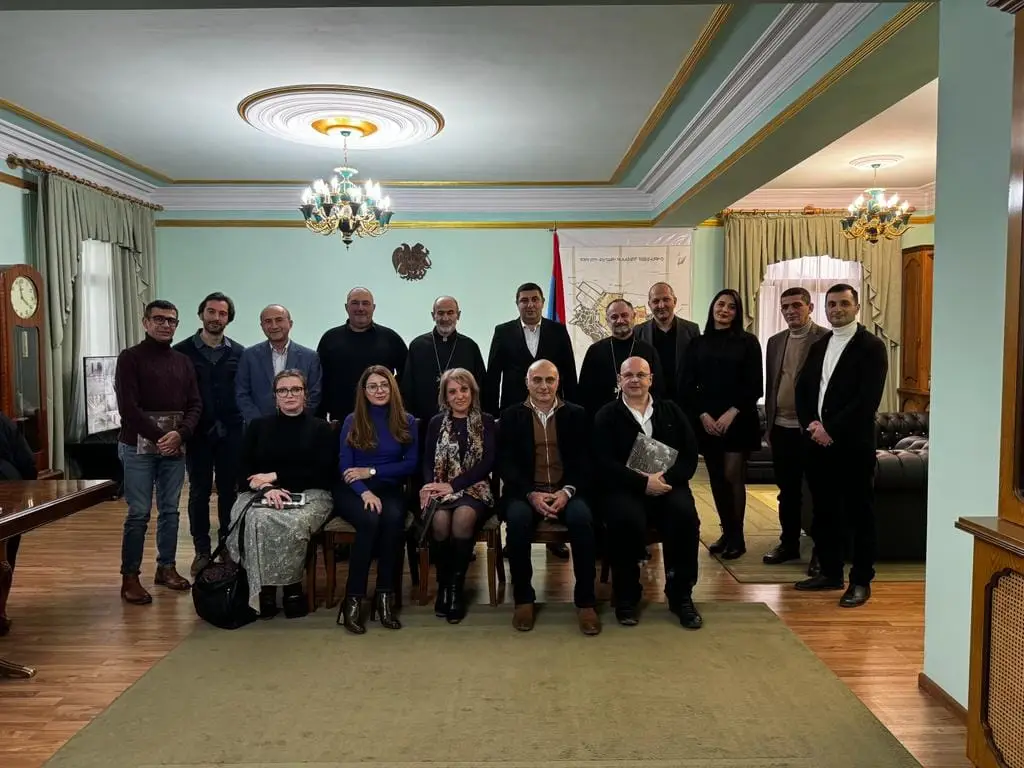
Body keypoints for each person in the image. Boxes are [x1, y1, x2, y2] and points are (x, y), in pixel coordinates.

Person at [795, 284, 887, 608]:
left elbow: (866, 401)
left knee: (860, 514)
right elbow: (803, 389)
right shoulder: (820, 344)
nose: (837, 309)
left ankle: (861, 581)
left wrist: (829, 429)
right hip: (818, 445)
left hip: (852, 446)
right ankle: (830, 573)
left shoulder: (872, 347)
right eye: (831, 304)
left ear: (857, 306)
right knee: (824, 513)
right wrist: (812, 425)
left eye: (844, 303)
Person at [593, 357, 702, 629]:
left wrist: (662, 479)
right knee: (625, 519)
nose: (635, 380)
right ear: (619, 380)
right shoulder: (606, 415)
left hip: (668, 485)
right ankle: (627, 596)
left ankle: (681, 595)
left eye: (641, 375)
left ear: (651, 379)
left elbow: (689, 456)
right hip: (624, 488)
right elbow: (602, 462)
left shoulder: (671, 411)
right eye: (628, 375)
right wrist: (642, 484)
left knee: (685, 516)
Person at [496, 359, 600, 636]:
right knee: (517, 521)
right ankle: (524, 598)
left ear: (558, 382)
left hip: (569, 491)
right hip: (526, 491)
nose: (544, 386)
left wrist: (567, 492)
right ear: (527, 383)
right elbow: (506, 463)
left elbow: (586, 461)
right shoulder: (510, 416)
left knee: (582, 519)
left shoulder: (577, 414)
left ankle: (586, 601)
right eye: (537, 380)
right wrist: (531, 493)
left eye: (549, 380)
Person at [226, 369, 337, 619]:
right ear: (275, 396)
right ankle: (263, 590)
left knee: (289, 522)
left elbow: (322, 473)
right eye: (283, 390)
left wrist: (275, 477)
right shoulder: (258, 427)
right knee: (255, 520)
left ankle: (291, 588)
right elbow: (242, 469)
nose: (289, 395)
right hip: (260, 493)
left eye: (296, 389)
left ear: (305, 395)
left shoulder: (322, 429)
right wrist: (266, 488)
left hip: (311, 494)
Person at [114, 299, 202, 605]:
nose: (166, 325)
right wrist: (162, 437)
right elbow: (128, 408)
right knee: (138, 513)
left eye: (172, 321)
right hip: (137, 446)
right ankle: (130, 576)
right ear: (146, 322)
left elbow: (195, 404)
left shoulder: (182, 361)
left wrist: (181, 434)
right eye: (159, 319)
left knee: (170, 510)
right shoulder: (130, 358)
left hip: (175, 446)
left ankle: (166, 567)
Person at [485, 282, 577, 560]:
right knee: (514, 474)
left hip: (552, 411)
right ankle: (514, 536)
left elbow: (568, 373)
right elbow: (492, 376)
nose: (530, 304)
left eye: (535, 299)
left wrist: (573, 409)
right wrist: (492, 415)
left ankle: (554, 538)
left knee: (552, 466)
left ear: (541, 302)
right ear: (517, 304)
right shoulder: (503, 331)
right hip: (514, 413)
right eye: (524, 300)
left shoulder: (558, 331)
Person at [333, 365, 418, 633]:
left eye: (384, 385)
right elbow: (345, 467)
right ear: (364, 391)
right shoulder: (352, 420)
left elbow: (411, 465)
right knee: (370, 519)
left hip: (388, 486)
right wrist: (365, 489)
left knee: (393, 518)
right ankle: (353, 600)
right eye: (373, 386)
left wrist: (373, 471)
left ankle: (385, 597)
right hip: (352, 489)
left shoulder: (407, 421)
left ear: (392, 388)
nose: (379, 390)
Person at [681, 289, 763, 560]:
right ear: (712, 308)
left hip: (738, 420)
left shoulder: (748, 342)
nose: (724, 310)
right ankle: (726, 532)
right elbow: (687, 385)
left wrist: (732, 412)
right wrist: (702, 414)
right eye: (720, 304)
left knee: (732, 476)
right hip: (706, 422)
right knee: (716, 479)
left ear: (737, 313)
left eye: (731, 307)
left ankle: (738, 537)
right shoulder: (697, 343)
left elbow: (755, 385)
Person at [173, 292, 246, 577]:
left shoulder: (240, 353)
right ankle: (202, 550)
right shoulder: (181, 352)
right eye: (211, 312)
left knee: (229, 491)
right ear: (201, 314)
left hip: (232, 432)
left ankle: (226, 548)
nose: (217, 318)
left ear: (229, 318)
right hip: (197, 433)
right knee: (200, 492)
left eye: (223, 313)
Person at [420, 368, 496, 624]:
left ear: (472, 391)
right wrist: (431, 486)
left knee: (462, 518)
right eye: (452, 391)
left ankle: (455, 589)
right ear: (445, 396)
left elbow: (488, 462)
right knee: (440, 521)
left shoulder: (485, 421)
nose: (459, 396)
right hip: (440, 487)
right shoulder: (435, 423)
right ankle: (443, 584)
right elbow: (427, 461)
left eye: (464, 390)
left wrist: (455, 485)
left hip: (475, 487)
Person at [762, 287, 826, 565]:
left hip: (811, 429)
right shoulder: (775, 341)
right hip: (780, 426)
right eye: (785, 306)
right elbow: (772, 382)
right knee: (787, 491)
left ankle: (821, 551)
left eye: (796, 305)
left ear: (810, 307)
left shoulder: (825, 338)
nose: (790, 311)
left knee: (818, 491)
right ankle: (788, 543)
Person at [316, 287, 407, 422]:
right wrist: (321, 418)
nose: (360, 308)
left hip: (384, 417)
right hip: (341, 417)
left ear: (373, 307)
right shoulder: (330, 339)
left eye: (365, 303)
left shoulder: (390, 338)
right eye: (355, 303)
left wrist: (391, 395)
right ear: (346, 307)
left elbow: (406, 374)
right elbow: (319, 380)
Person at [401, 296, 487, 425]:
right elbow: (407, 386)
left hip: (464, 420)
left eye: (450, 312)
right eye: (440, 313)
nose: (445, 318)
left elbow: (480, 386)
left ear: (458, 315)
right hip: (424, 419)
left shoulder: (470, 346)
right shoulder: (417, 346)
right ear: (433, 315)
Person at [577, 298, 664, 419]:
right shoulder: (595, 351)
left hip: (640, 420)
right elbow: (584, 393)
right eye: (614, 317)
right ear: (607, 321)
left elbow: (658, 390)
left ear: (633, 317)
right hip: (603, 421)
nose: (620, 320)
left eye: (624, 315)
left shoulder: (648, 351)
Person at [236, 304, 322, 424]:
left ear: (290, 324)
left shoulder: (310, 357)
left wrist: (298, 420)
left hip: (299, 428)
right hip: (259, 431)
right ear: (262, 326)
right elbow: (242, 393)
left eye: (279, 320)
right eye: (268, 321)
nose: (274, 326)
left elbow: (314, 394)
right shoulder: (248, 355)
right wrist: (258, 424)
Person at [0, 411, 37, 630]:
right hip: (9, 491)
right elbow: (26, 460)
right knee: (5, 552)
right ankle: (1, 611)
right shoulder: (3, 421)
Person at [634, 282, 701, 404]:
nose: (661, 305)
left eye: (666, 299)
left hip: (684, 403)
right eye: (655, 301)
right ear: (649, 305)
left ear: (674, 301)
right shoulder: (638, 332)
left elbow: (698, 369)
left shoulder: (692, 330)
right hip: (650, 403)